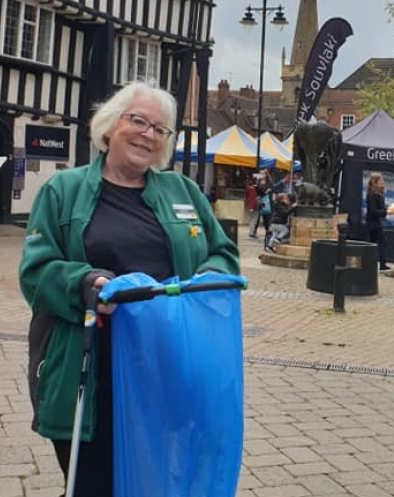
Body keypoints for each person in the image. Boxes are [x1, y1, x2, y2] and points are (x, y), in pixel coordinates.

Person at [18, 81, 240, 497]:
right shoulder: (63, 191)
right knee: (93, 485)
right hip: (90, 370)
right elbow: (36, 271)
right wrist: (86, 282)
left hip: (165, 367)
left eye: (160, 129)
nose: (148, 134)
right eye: (138, 120)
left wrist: (199, 283)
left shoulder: (184, 192)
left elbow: (223, 255)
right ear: (109, 126)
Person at [365, 172, 394, 271]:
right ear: (375, 182)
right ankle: (372, 264)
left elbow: (381, 209)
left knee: (378, 242)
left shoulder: (380, 195)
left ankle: (379, 264)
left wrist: (388, 209)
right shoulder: (371, 195)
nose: (382, 183)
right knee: (374, 243)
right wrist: (386, 211)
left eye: (382, 181)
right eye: (380, 181)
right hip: (371, 222)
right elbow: (373, 211)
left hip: (377, 222)